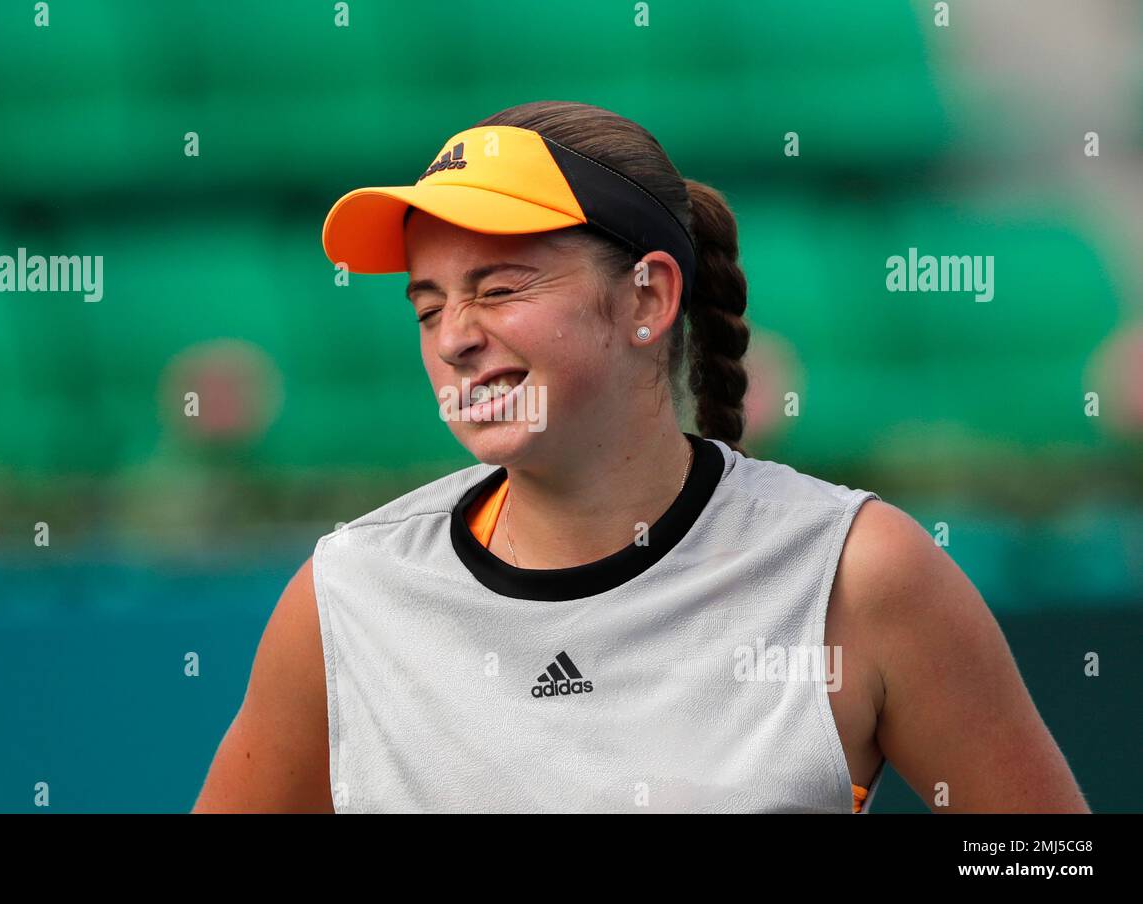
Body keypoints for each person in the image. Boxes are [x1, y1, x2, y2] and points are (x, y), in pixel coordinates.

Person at [193, 100, 1088, 813]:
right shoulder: (347, 595)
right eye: (428, 307)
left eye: (499, 288)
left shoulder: (862, 572)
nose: (456, 339)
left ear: (648, 297)